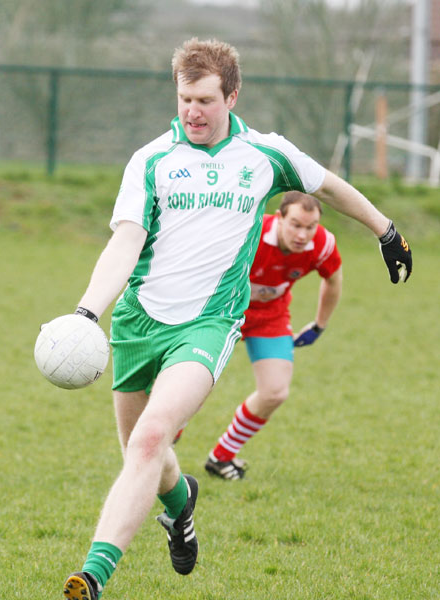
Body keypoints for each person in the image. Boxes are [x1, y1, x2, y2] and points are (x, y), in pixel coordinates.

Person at [58, 38, 411, 600]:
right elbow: (125, 244)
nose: (192, 111)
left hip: (209, 325)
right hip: (136, 325)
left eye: (203, 99)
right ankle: (181, 506)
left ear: (232, 96)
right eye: (183, 99)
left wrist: (385, 229)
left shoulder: (264, 153)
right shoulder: (150, 161)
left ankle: (92, 575)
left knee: (152, 438)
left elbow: (329, 186)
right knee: (146, 456)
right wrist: (86, 313)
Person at [204, 190, 342, 480]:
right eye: (295, 224)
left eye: (310, 226)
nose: (303, 234)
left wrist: (319, 325)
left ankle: (221, 457)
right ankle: (169, 431)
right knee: (191, 384)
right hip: (222, 312)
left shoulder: (323, 244)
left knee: (275, 391)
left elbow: (333, 279)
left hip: (270, 316)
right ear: (279, 218)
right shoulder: (247, 231)